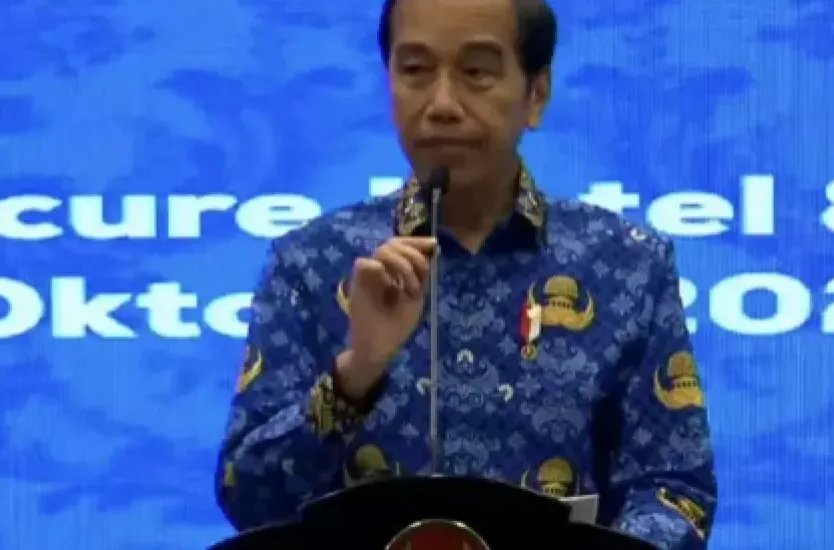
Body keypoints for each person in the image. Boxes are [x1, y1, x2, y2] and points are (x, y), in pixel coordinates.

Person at [214, 0, 717, 547]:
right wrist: (354, 376)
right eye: (415, 70)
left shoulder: (629, 264)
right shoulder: (310, 262)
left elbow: (675, 489)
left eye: (476, 72)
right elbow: (250, 500)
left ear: (536, 94)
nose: (442, 105)